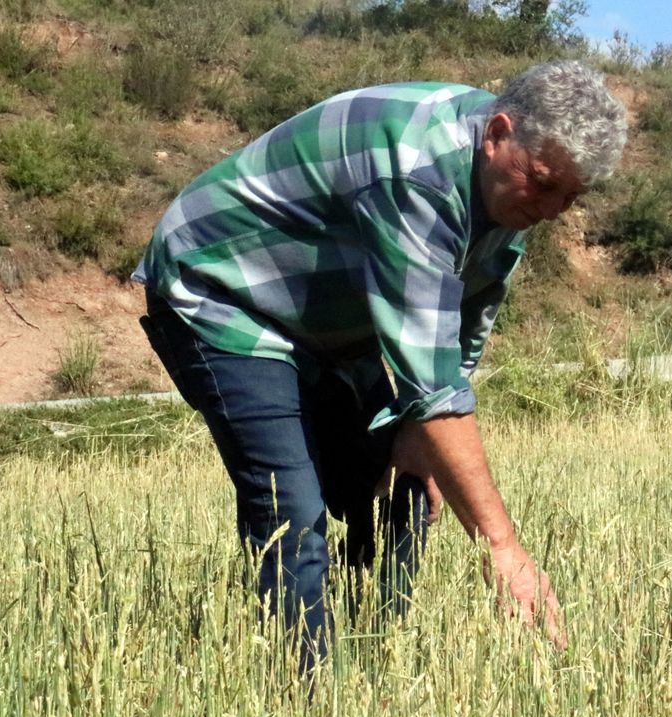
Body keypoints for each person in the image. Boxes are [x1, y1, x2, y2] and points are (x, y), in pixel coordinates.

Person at [134, 60, 627, 666]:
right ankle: (306, 700)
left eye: (568, 198)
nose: (551, 209)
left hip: (332, 323)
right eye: (544, 183)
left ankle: (371, 666)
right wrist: (502, 546)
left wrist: (423, 435)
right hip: (223, 291)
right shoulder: (421, 172)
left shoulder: (507, 189)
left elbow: (462, 327)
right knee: (292, 508)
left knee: (410, 483)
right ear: (498, 133)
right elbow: (430, 380)